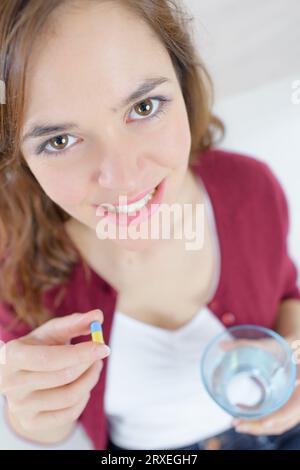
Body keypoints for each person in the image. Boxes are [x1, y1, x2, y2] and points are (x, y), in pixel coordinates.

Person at [0, 0, 300, 451]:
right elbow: (49, 431)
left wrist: (293, 358)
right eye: (60, 141)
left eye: (144, 106)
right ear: (18, 156)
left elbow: (285, 292)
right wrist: (33, 420)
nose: (123, 178)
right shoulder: (13, 268)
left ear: (182, 83)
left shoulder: (250, 188)